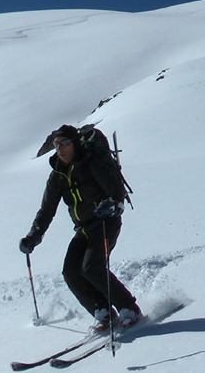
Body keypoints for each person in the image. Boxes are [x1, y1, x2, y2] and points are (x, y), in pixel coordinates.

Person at [19, 124, 142, 332]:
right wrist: (34, 235)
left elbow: (115, 191)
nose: (60, 149)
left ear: (74, 143)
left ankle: (129, 308)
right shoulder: (58, 174)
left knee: (92, 267)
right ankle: (103, 311)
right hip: (83, 228)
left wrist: (112, 204)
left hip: (105, 223)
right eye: (57, 145)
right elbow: (47, 209)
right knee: (70, 272)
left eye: (65, 143)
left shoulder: (91, 163)